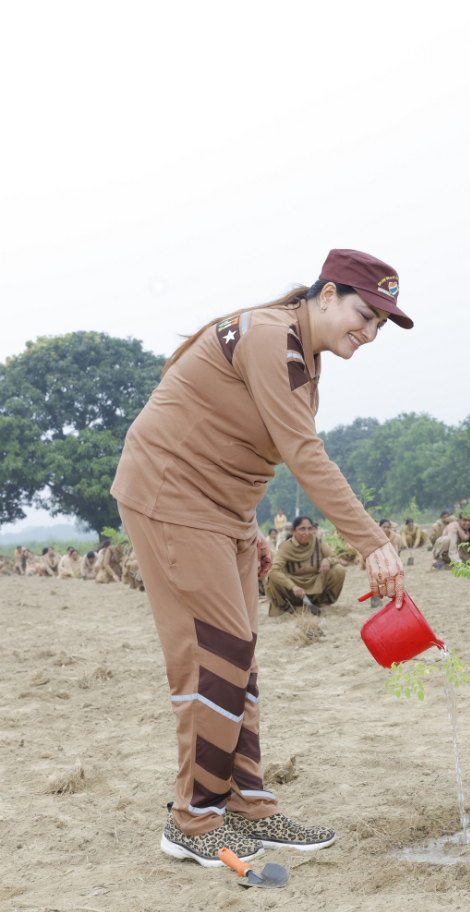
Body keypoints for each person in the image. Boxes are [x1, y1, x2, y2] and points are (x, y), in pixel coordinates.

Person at [110, 248, 410, 867]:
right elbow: (304, 454)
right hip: (172, 496)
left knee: (239, 657)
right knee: (216, 656)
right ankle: (194, 819)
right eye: (365, 314)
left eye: (381, 324)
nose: (370, 332)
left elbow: (231, 435)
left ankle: (247, 802)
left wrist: (247, 525)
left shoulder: (300, 349)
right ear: (326, 295)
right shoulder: (275, 337)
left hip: (222, 508)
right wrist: (373, 541)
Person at [263, 515, 347, 617]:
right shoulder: (286, 547)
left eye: (309, 529)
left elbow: (336, 558)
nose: (307, 533)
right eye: (302, 529)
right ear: (293, 531)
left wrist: (327, 560)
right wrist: (293, 586)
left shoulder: (318, 542)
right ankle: (287, 608)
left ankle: (322, 604)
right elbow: (273, 570)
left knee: (339, 569)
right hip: (293, 590)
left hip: (316, 585)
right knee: (271, 578)